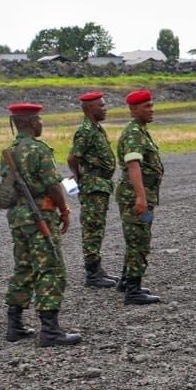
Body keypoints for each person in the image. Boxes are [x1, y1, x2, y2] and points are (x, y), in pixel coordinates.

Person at [1, 103, 81, 347]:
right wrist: (64, 210)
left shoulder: (9, 151)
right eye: (40, 120)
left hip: (18, 217)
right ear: (33, 122)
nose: (42, 124)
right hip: (40, 216)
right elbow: (53, 185)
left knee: (23, 267)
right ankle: (50, 330)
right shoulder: (38, 149)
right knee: (50, 268)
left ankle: (14, 325)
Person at [67, 92, 119, 289]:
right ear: (90, 109)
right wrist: (79, 178)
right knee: (92, 228)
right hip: (93, 184)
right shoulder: (86, 131)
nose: (105, 109)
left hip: (101, 184)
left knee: (98, 227)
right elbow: (73, 158)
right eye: (101, 106)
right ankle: (92, 274)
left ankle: (98, 269)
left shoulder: (97, 129)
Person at [117, 90, 164, 305]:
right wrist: (140, 197)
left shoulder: (140, 131)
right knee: (139, 241)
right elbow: (133, 165)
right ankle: (133, 291)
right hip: (136, 195)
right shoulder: (134, 133)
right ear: (133, 110)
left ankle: (127, 281)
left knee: (135, 238)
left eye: (151, 106)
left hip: (141, 193)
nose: (151, 110)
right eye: (146, 107)